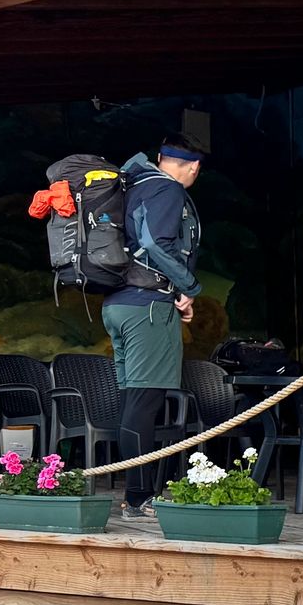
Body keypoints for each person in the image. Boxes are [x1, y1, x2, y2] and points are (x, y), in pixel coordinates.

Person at [103, 135, 204, 519]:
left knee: (132, 401)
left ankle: (135, 494)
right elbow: (157, 244)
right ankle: (139, 496)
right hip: (147, 309)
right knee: (145, 402)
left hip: (118, 305)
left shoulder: (133, 185)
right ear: (194, 167)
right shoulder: (167, 189)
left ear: (160, 157)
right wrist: (188, 287)